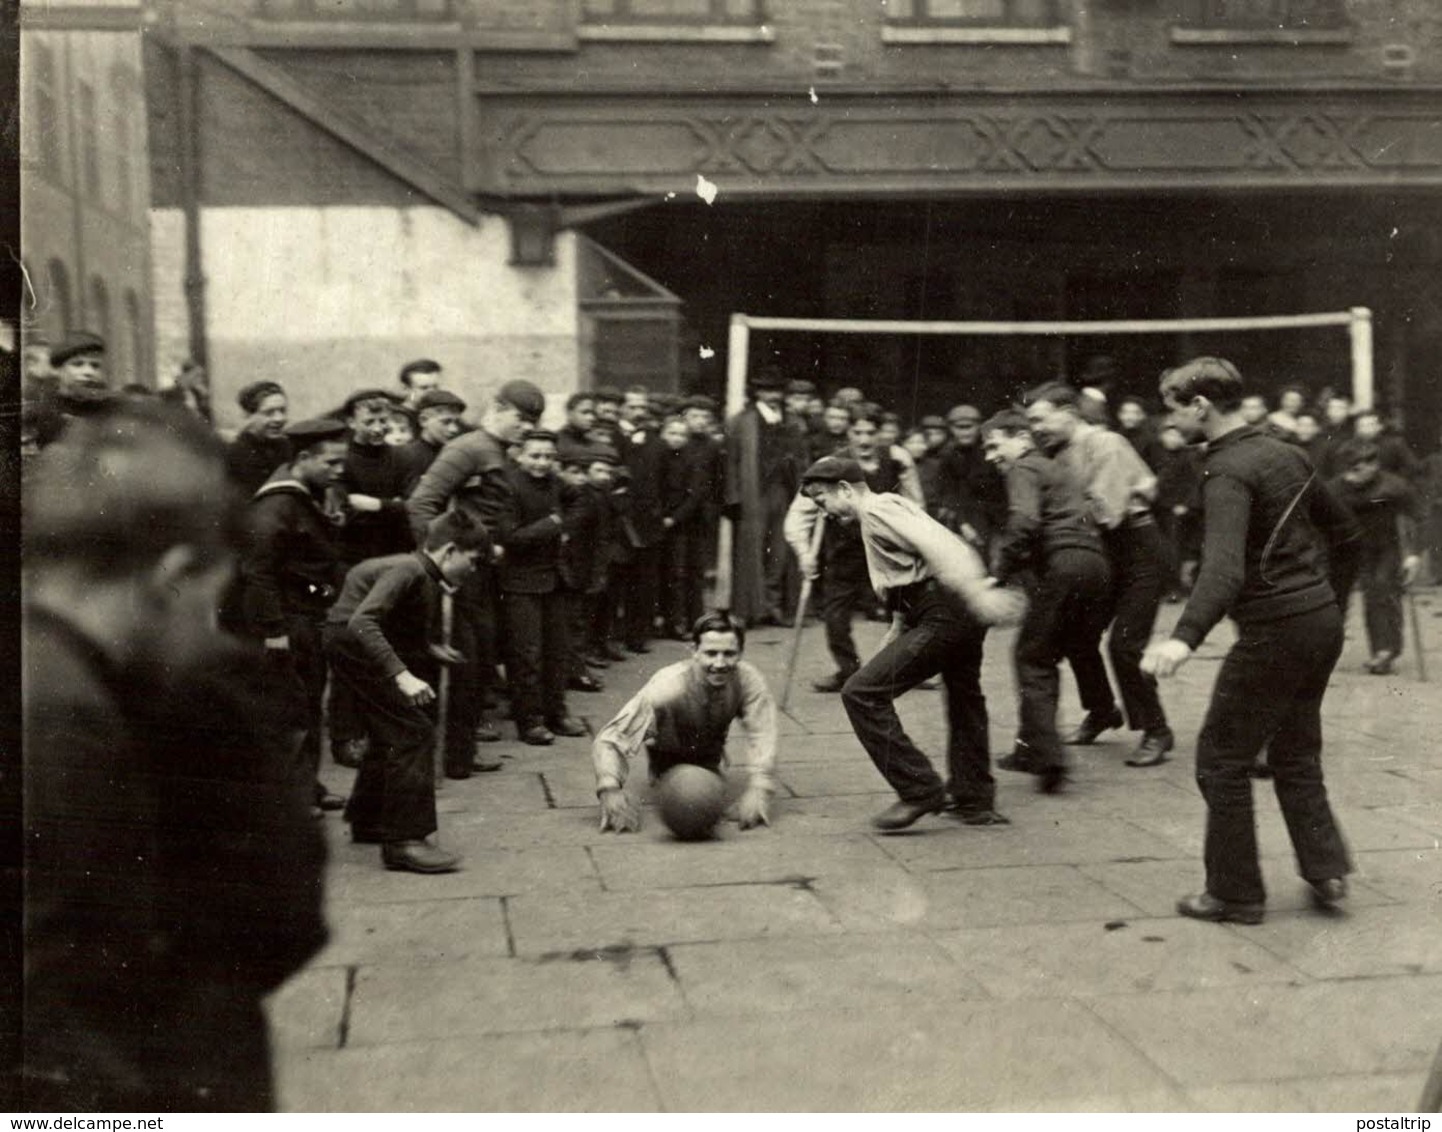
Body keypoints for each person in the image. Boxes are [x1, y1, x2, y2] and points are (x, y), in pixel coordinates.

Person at [22, 401, 327, 1110]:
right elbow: (279, 922)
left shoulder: (56, 674)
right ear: (174, 575)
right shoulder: (70, 719)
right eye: (207, 601)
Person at [1141, 356, 1360, 924]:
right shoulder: (1286, 452)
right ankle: (1326, 871)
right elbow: (1347, 532)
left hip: (1274, 632)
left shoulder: (1226, 471)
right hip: (1318, 622)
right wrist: (1328, 599)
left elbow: (1223, 573)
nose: (1170, 422)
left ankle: (1234, 894)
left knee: (1220, 758)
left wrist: (1182, 639)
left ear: (1200, 407)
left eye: (1173, 409)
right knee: (1295, 749)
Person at [800, 456, 1026, 830]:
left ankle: (919, 790)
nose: (823, 511)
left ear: (844, 490)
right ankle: (974, 800)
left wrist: (977, 592)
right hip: (946, 610)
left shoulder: (875, 510)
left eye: (822, 500)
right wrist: (894, 639)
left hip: (945, 610)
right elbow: (905, 582)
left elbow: (944, 548)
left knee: (860, 693)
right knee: (964, 698)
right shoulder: (888, 506)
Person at [326, 510, 492, 872]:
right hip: (354, 643)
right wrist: (401, 675)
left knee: (390, 732)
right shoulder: (410, 569)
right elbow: (364, 621)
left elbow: (393, 619)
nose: (473, 569)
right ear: (450, 551)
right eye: (473, 560)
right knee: (413, 733)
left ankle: (369, 819)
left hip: (351, 642)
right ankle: (404, 841)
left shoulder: (422, 572)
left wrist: (429, 649)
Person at [1024, 381, 1175, 767]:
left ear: (1069, 414)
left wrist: (1052, 523)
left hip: (1139, 549)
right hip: (1105, 551)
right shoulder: (1059, 451)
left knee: (1124, 645)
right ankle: (1102, 710)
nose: (1035, 427)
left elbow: (1105, 510)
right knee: (1078, 634)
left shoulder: (1105, 443)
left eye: (1041, 419)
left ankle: (1157, 730)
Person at [408, 380, 547, 767]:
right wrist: (438, 564)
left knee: (480, 661)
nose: (526, 428)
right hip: (457, 578)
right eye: (520, 419)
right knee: (462, 661)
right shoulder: (467, 448)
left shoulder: (498, 451)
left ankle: (461, 752)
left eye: (532, 421)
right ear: (496, 407)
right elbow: (421, 505)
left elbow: (487, 512)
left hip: (483, 574)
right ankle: (450, 756)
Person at [981, 410, 1111, 793]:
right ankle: (1030, 748)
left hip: (1064, 565)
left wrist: (998, 574)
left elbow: (1024, 523)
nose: (990, 456)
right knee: (1047, 652)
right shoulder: (1058, 468)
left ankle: (1047, 757)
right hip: (1096, 567)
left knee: (1032, 658)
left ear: (1022, 439)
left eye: (994, 445)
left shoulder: (1023, 468)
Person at [237, 417, 352, 813]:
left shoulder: (309, 496)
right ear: (304, 457)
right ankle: (292, 798)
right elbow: (257, 571)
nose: (339, 472)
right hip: (287, 621)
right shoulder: (278, 505)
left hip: (308, 614)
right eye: (332, 463)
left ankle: (309, 786)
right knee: (293, 712)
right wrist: (273, 630)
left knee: (309, 706)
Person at [593, 612, 777, 833]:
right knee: (684, 792)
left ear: (741, 654)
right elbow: (611, 739)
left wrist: (760, 787)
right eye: (711, 653)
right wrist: (609, 788)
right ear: (695, 652)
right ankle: (666, 770)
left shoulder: (748, 679)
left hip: (708, 753)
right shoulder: (668, 686)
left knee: (702, 791)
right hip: (668, 751)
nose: (719, 663)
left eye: (729, 654)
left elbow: (763, 731)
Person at [785, 401, 925, 692]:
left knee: (903, 610)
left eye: (870, 432)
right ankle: (848, 670)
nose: (864, 439)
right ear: (847, 432)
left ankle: (905, 670)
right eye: (857, 431)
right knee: (836, 615)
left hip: (887, 549)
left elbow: (916, 504)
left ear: (880, 433)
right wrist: (803, 553)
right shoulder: (830, 464)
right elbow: (800, 513)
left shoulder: (898, 458)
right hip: (846, 549)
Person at [497, 429, 588, 745]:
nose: (542, 462)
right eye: (535, 456)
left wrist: (563, 524)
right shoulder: (509, 486)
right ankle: (530, 721)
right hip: (520, 583)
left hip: (554, 579)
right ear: (519, 455)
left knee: (556, 651)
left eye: (549, 457)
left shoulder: (556, 483)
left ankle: (557, 713)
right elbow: (510, 537)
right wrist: (551, 525)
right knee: (527, 655)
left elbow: (579, 500)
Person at [1328, 439, 1424, 675]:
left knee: (1381, 590)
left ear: (1373, 465)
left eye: (1360, 469)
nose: (1354, 476)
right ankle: (1322, 651)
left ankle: (1384, 651)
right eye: (1350, 469)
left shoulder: (1395, 487)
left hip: (1383, 547)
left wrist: (1413, 555)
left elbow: (1419, 518)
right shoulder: (1333, 489)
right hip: (1344, 548)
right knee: (1331, 600)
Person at [725, 365, 811, 625]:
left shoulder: (792, 421)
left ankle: (776, 607)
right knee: (752, 551)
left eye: (777, 391)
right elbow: (730, 462)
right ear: (758, 393)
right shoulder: (742, 421)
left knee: (781, 552)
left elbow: (801, 457)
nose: (773, 395)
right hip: (753, 493)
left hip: (782, 491)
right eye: (767, 390)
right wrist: (733, 497)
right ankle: (750, 610)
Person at [335, 387, 413, 567]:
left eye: (383, 420)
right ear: (352, 422)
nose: (378, 428)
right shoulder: (342, 459)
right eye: (369, 422)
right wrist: (394, 506)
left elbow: (414, 505)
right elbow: (346, 514)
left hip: (399, 551)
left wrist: (375, 505)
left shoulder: (402, 457)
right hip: (357, 555)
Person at [935, 403, 1006, 553]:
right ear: (950, 429)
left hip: (999, 519)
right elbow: (950, 493)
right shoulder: (949, 457)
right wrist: (963, 524)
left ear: (979, 426)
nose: (965, 433)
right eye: (959, 428)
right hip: (969, 519)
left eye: (969, 427)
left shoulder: (992, 449)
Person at [225, 379, 292, 496]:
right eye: (269, 413)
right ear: (248, 415)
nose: (279, 418)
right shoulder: (238, 454)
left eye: (282, 411)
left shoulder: (286, 446)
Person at [397, 387, 467, 491]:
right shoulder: (406, 456)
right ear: (423, 420)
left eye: (456, 422)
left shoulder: (457, 455)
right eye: (446, 422)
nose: (454, 429)